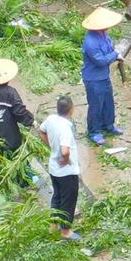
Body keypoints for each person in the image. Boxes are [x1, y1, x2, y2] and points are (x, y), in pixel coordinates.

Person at [39, 95, 82, 241]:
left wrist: (51, 146)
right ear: (71, 110)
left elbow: (41, 130)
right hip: (66, 172)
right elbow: (65, 150)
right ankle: (66, 231)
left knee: (57, 196)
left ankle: (53, 224)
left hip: (53, 168)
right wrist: (65, 159)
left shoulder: (51, 119)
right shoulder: (65, 129)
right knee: (68, 201)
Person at [81, 7, 125, 146]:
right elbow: (100, 61)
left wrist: (116, 54)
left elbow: (110, 50)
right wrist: (115, 54)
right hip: (93, 79)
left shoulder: (104, 35)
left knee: (108, 102)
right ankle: (94, 131)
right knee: (96, 105)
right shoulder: (91, 42)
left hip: (104, 77)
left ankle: (109, 125)